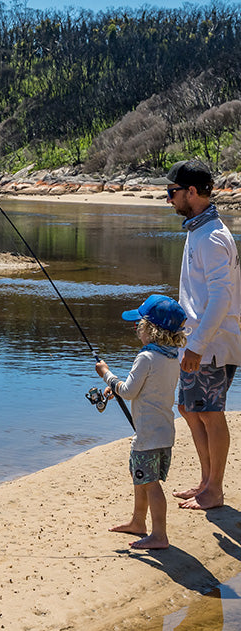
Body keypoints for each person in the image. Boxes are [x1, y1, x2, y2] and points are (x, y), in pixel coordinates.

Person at [164, 159, 241, 510]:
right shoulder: (200, 229)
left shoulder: (211, 237)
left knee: (210, 412)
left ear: (191, 192)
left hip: (210, 344)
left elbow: (222, 298)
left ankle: (215, 490)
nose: (169, 199)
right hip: (197, 342)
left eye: (172, 191)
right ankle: (206, 482)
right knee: (188, 407)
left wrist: (196, 346)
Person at [95, 294, 187, 549]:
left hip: (146, 435)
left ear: (151, 329)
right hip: (164, 432)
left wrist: (107, 376)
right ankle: (138, 522)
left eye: (140, 323)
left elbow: (128, 391)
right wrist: (119, 387)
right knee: (143, 479)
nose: (137, 328)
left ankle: (159, 535)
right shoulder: (171, 357)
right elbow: (147, 389)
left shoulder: (146, 357)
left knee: (150, 483)